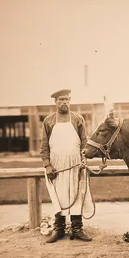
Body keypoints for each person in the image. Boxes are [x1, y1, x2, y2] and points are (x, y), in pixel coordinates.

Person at [40, 89, 94, 243]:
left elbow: (84, 142)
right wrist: (47, 165)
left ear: (70, 101)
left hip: (76, 164)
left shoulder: (78, 119)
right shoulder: (48, 121)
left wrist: (84, 160)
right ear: (55, 102)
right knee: (59, 196)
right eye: (60, 100)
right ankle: (59, 230)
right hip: (56, 167)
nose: (64, 102)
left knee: (77, 195)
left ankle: (77, 229)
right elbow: (44, 147)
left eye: (66, 99)